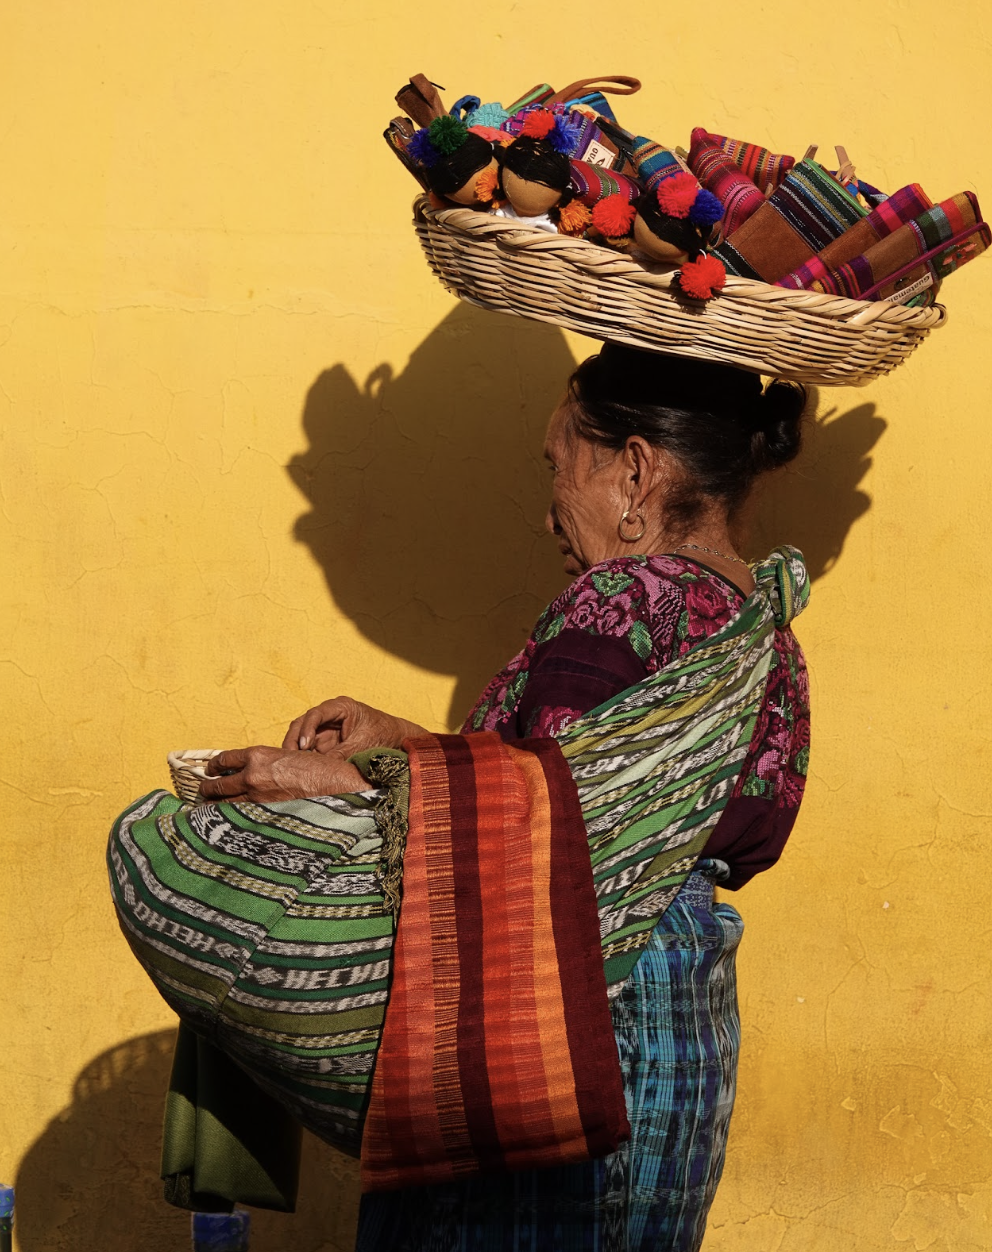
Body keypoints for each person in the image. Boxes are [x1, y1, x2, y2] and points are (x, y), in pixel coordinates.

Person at [189, 342, 811, 1251]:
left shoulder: (620, 603)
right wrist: (405, 740)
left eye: (559, 467)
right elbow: (584, 786)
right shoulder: (763, 630)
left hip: (566, 1017)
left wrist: (343, 780)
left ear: (634, 470)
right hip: (682, 1019)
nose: (550, 508)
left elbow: (543, 829)